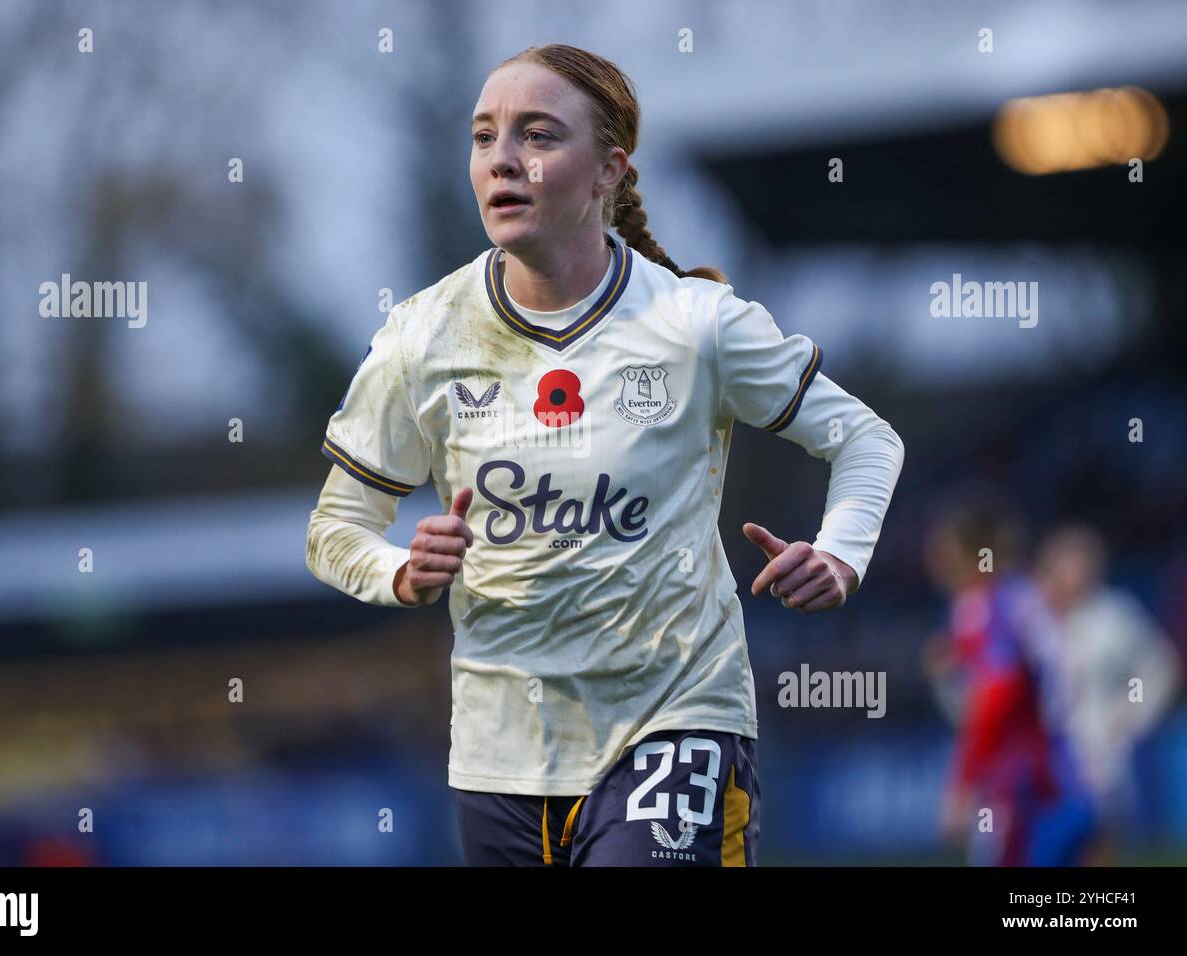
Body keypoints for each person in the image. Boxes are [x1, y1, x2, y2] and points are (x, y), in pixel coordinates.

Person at [306, 44, 904, 866]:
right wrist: (400, 571)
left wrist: (841, 553)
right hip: (498, 758)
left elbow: (866, 439)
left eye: (538, 136)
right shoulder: (423, 337)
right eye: (484, 137)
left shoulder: (698, 324)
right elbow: (337, 526)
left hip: (675, 720)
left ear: (608, 170)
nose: (503, 159)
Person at [922, 495, 1097, 866]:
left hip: (1022, 787)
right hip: (1065, 778)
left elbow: (998, 692)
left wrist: (962, 784)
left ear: (966, 549)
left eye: (943, 545)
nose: (933, 557)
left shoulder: (983, 606)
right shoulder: (1021, 596)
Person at [1033, 523, 1182, 863]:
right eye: (1064, 562)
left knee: (1095, 848)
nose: (1073, 572)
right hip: (1038, 762)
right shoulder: (1032, 621)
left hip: (1099, 759)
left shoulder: (1115, 616)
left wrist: (1130, 714)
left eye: (1081, 562)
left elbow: (1158, 669)